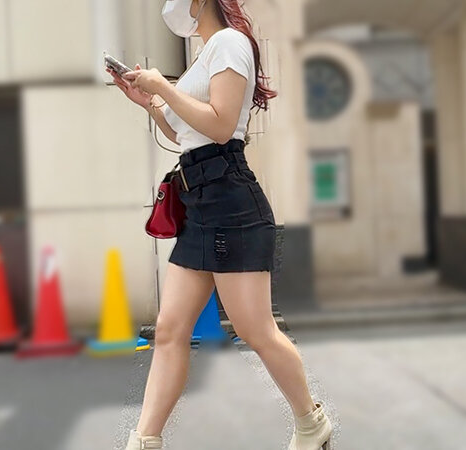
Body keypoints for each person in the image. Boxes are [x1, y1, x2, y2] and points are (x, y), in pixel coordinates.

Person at [107, 1, 333, 449]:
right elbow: (185, 133)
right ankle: (144, 441)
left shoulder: (229, 43)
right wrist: (149, 102)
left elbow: (222, 125)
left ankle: (311, 423)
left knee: (255, 329)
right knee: (170, 330)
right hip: (199, 201)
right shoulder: (205, 54)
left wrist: (164, 88)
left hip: (229, 199)